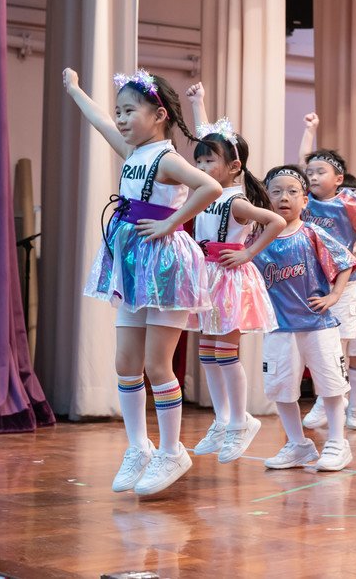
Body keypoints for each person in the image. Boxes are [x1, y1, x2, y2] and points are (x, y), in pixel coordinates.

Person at [63, 67, 222, 496]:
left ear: (159, 114)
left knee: (157, 364)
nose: (120, 119)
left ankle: (172, 451)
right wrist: (75, 90)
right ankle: (138, 447)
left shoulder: (166, 159)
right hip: (133, 262)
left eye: (129, 111)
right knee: (125, 362)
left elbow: (209, 187)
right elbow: (99, 122)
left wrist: (171, 222)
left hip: (167, 265)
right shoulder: (133, 153)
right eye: (119, 111)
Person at [182, 83, 285, 464]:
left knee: (226, 354)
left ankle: (241, 420)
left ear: (234, 167)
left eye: (209, 162)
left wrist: (248, 254)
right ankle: (223, 419)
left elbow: (275, 221)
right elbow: (207, 137)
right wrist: (198, 104)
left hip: (228, 280)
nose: (202, 168)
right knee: (207, 354)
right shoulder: (208, 191)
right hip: (207, 275)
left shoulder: (234, 201)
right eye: (199, 162)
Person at [254, 166, 356, 472]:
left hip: (317, 325)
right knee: (281, 388)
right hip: (278, 327)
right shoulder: (257, 240)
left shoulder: (312, 233)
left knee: (331, 385)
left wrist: (334, 296)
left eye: (292, 191)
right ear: (265, 198)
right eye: (276, 191)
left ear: (304, 200)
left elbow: (345, 262)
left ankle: (338, 443)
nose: (283, 197)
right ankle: (297, 444)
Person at [299, 149, 356, 431]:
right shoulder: (304, 202)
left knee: (339, 344)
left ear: (338, 179)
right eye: (310, 172)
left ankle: (330, 400)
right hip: (311, 283)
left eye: (321, 172)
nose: (314, 177)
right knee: (316, 345)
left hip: (343, 285)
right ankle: (329, 397)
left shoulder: (350, 204)